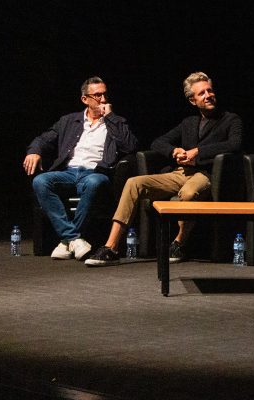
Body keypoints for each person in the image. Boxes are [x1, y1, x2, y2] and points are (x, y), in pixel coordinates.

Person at [85, 71, 243, 266]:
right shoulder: (189, 122)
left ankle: (179, 243)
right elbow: (158, 142)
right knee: (133, 183)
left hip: (206, 174)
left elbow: (234, 144)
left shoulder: (230, 119)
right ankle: (111, 247)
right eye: (202, 93)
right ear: (193, 100)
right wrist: (174, 151)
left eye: (209, 90)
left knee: (188, 193)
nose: (208, 95)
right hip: (180, 173)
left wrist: (198, 152)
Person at [24, 76, 138, 260]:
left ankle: (66, 241)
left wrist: (110, 117)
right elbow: (43, 139)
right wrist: (34, 151)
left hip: (95, 172)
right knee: (40, 181)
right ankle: (74, 239)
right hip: (68, 172)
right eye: (97, 95)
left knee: (94, 183)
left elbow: (130, 147)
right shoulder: (69, 121)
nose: (103, 99)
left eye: (105, 94)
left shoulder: (117, 121)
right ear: (85, 99)